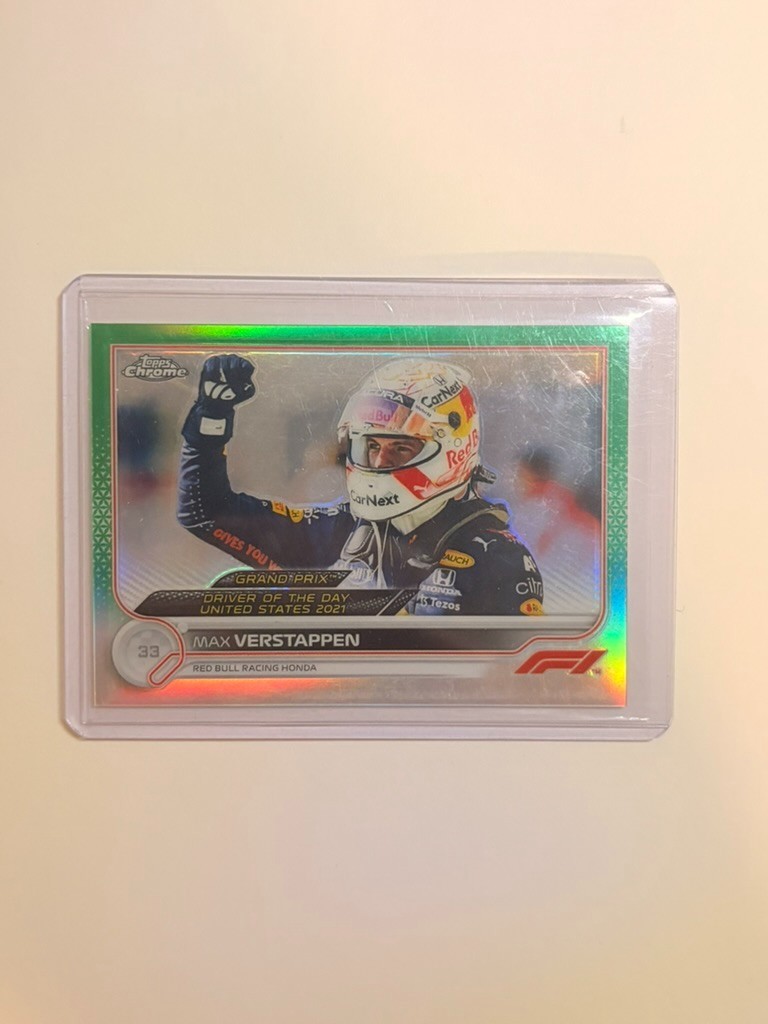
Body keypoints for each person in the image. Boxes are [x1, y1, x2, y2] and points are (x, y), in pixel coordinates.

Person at [178, 355, 543, 616]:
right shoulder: (346, 528)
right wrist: (210, 422)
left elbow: (514, 682)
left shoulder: (499, 560)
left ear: (454, 450)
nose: (379, 463)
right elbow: (205, 514)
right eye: (371, 446)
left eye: (400, 448)